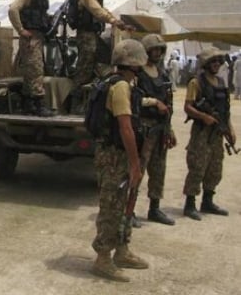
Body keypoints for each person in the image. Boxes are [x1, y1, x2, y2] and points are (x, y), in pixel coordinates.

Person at [91, 39, 149, 282]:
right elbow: (125, 128)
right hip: (115, 156)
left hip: (117, 154)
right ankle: (103, 257)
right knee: (112, 206)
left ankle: (122, 250)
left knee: (126, 203)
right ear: (135, 63)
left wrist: (155, 102)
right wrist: (135, 164)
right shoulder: (120, 87)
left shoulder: (119, 84)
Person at [182, 47, 235, 220]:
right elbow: (188, 107)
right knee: (197, 166)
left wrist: (230, 129)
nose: (216, 64)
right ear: (206, 64)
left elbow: (225, 110)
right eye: (213, 61)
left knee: (215, 167)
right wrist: (203, 116)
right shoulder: (196, 82)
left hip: (217, 133)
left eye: (218, 61)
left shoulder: (221, 83)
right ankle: (190, 204)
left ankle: (207, 201)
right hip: (202, 132)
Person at [136, 34, 176, 226]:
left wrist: (170, 130)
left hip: (160, 129)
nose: (158, 53)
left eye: (160, 49)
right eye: (154, 49)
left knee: (159, 170)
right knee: (137, 170)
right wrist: (154, 102)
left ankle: (154, 208)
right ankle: (130, 210)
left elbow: (168, 104)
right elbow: (133, 99)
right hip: (144, 128)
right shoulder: (137, 73)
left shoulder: (162, 73)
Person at [72, 0, 134, 89]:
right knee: (85, 66)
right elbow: (98, 11)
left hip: (92, 35)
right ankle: (77, 95)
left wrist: (118, 23)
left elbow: (105, 11)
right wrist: (113, 21)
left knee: (98, 61)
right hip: (86, 35)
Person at [8, 0, 55, 117]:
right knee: (36, 71)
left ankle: (29, 105)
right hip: (30, 38)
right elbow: (13, 9)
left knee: (32, 72)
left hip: (37, 37)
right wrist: (21, 30)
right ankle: (39, 105)